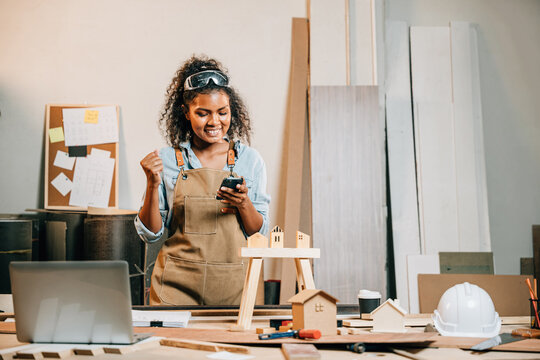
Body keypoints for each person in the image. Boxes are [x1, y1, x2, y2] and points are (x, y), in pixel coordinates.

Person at [134, 55, 270, 305]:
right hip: (176, 289)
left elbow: (258, 233)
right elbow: (151, 234)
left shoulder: (249, 161)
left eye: (222, 112)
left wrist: (243, 204)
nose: (214, 122)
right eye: (203, 113)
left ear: (232, 111)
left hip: (235, 289)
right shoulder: (166, 160)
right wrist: (152, 184)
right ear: (186, 113)